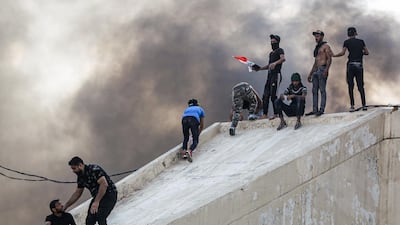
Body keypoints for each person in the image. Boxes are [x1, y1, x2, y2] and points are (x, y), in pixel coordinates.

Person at [64, 157, 117, 225]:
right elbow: (78, 193)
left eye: (74, 168)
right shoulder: (80, 177)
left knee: (100, 216)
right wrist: (66, 206)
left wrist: (96, 202)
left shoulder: (94, 169)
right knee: (89, 220)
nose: (73, 171)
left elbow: (104, 184)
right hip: (97, 197)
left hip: (109, 194)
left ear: (80, 165)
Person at [333, 27, 369, 112]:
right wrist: (361, 53)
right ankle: (364, 105)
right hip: (359, 65)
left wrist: (334, 55)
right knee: (360, 86)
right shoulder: (361, 42)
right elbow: (367, 52)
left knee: (350, 86)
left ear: (348, 34)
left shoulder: (346, 42)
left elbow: (342, 53)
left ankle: (352, 106)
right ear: (355, 33)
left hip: (351, 65)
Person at [251, 34, 286, 120]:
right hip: (269, 76)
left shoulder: (279, 50)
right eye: (271, 42)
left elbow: (283, 59)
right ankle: (265, 114)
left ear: (277, 42)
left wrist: (275, 63)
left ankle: (276, 113)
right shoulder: (271, 54)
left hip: (276, 75)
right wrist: (259, 69)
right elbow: (269, 65)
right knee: (265, 95)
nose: (272, 43)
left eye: (274, 42)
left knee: (273, 95)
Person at [306, 30, 333, 116]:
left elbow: (329, 58)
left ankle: (321, 109)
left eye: (318, 36)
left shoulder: (326, 46)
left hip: (322, 69)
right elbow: (315, 62)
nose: (316, 38)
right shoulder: (317, 48)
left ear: (322, 36)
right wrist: (310, 73)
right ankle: (315, 109)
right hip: (316, 70)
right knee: (314, 91)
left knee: (322, 90)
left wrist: (326, 70)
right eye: (315, 36)